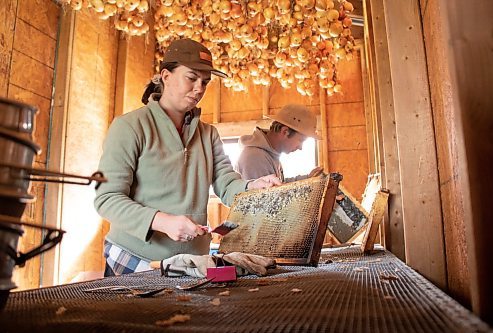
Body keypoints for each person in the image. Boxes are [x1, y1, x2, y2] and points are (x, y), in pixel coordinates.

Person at [94, 38, 281, 277]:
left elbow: (227, 184)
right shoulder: (130, 127)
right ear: (166, 75)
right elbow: (107, 199)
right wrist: (162, 221)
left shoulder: (208, 134)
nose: (199, 89)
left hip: (192, 264)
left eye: (205, 82)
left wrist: (252, 186)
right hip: (135, 259)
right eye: (191, 78)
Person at [235, 104, 323, 182]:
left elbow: (280, 187)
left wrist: (309, 179)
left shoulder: (269, 154)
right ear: (285, 131)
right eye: (301, 140)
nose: (300, 148)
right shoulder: (255, 158)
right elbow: (268, 199)